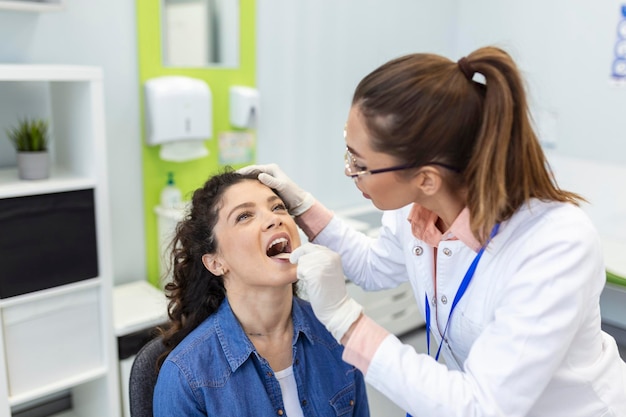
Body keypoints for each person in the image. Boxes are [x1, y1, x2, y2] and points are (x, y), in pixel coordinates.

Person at [240, 46, 626, 416]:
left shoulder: (553, 246)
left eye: (360, 163)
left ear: (426, 179)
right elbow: (376, 266)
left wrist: (346, 321)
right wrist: (304, 207)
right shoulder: (418, 211)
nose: (349, 172)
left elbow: (481, 407)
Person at [152, 169, 370, 417]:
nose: (274, 219)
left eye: (278, 207)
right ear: (215, 262)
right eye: (244, 216)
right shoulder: (185, 377)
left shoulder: (337, 333)